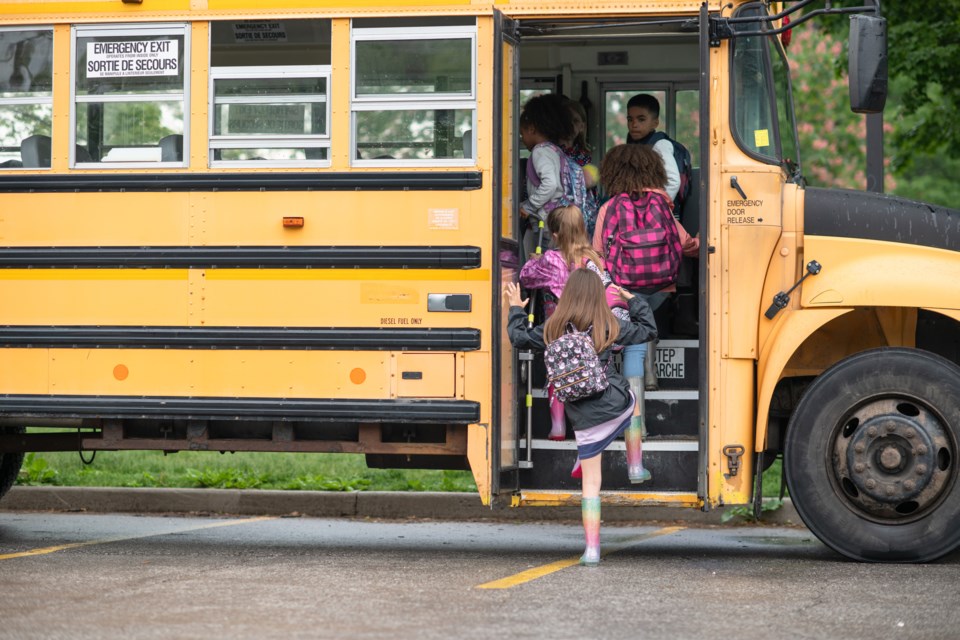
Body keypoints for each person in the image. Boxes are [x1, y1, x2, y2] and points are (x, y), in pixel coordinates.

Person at [505, 269, 657, 566]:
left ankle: (591, 550)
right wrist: (632, 299)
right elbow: (647, 330)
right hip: (614, 402)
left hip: (582, 416)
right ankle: (636, 465)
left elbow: (518, 337)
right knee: (634, 403)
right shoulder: (607, 324)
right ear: (598, 296)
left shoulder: (553, 327)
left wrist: (515, 309)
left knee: (591, 484)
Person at [593, 143, 699, 404]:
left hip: (623, 288)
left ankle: (634, 417)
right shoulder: (662, 204)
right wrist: (700, 243)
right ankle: (650, 376)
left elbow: (597, 253)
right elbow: (684, 243)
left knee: (632, 341)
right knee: (646, 324)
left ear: (612, 173)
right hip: (660, 288)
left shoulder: (610, 208)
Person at [518, 205, 628, 440]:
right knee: (591, 370)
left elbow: (526, 277)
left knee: (558, 371)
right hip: (592, 327)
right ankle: (593, 423)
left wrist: (534, 260)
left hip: (560, 327)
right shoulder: (595, 259)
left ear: (555, 235)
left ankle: (558, 427)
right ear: (581, 228)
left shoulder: (551, 260)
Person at [518, 94, 576, 259]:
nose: (523, 139)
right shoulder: (555, 150)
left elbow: (550, 184)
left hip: (546, 222)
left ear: (531, 129)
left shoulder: (540, 151)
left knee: (545, 263)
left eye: (522, 134)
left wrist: (529, 206)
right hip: (557, 219)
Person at [625, 94, 680, 206]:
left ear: (655, 123)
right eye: (630, 119)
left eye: (641, 119)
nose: (634, 124)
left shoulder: (660, 145)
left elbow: (673, 181)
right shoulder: (635, 145)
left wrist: (656, 208)